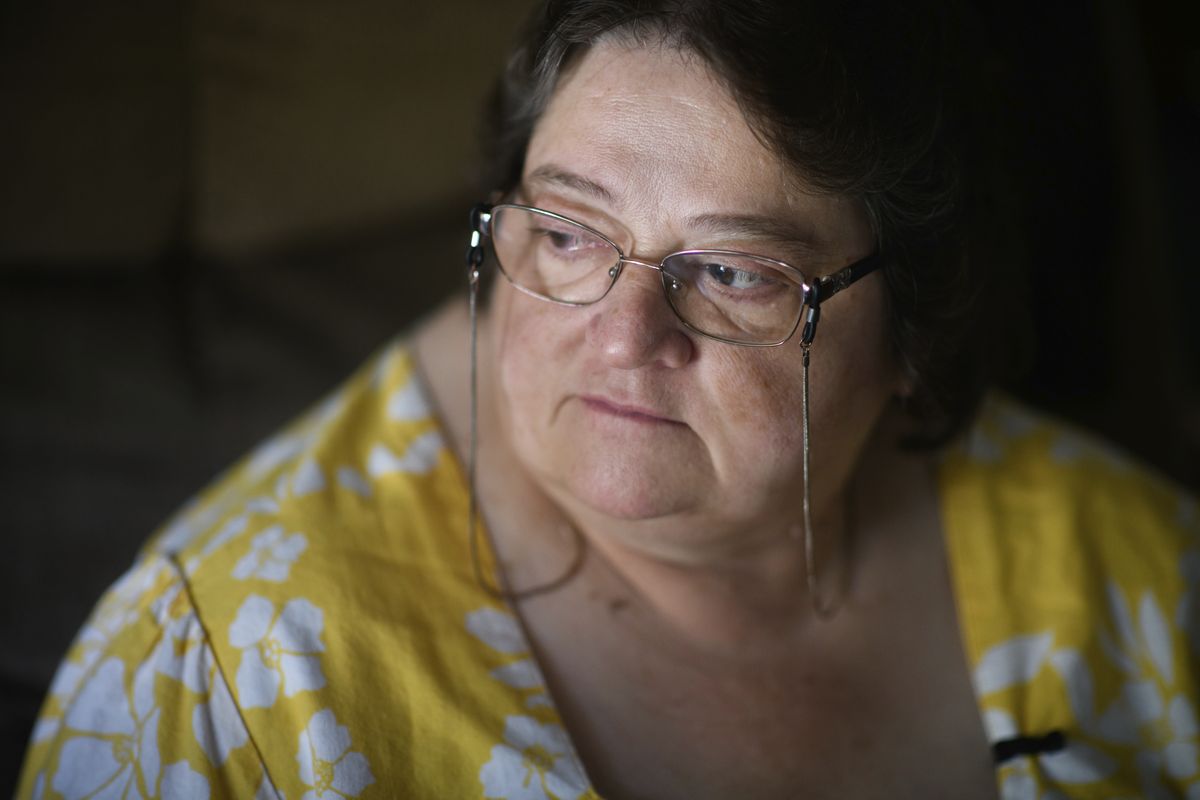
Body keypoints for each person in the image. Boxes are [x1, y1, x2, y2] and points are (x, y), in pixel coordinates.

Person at [17, 1, 1198, 798]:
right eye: (571, 233)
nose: (623, 338)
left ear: (918, 335)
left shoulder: (1146, 581)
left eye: (734, 270)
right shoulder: (224, 687)